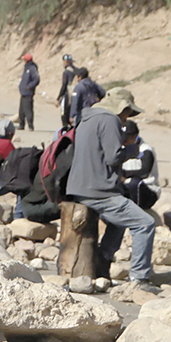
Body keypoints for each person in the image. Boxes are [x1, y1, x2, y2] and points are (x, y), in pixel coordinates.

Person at [65, 87, 155, 290]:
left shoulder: (86, 119)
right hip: (99, 190)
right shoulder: (109, 120)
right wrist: (131, 150)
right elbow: (113, 157)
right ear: (121, 108)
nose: (127, 118)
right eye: (128, 113)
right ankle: (139, 279)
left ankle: (101, 264)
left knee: (119, 222)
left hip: (80, 186)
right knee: (145, 224)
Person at [18, 53, 39, 130]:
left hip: (28, 93)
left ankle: (30, 125)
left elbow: (36, 79)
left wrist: (29, 86)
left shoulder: (32, 68)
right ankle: (21, 125)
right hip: (23, 92)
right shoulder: (26, 68)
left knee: (28, 110)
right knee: (21, 110)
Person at [56, 54, 77, 129]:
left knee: (64, 113)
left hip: (67, 95)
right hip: (76, 94)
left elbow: (64, 85)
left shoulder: (66, 72)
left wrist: (58, 98)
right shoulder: (76, 70)